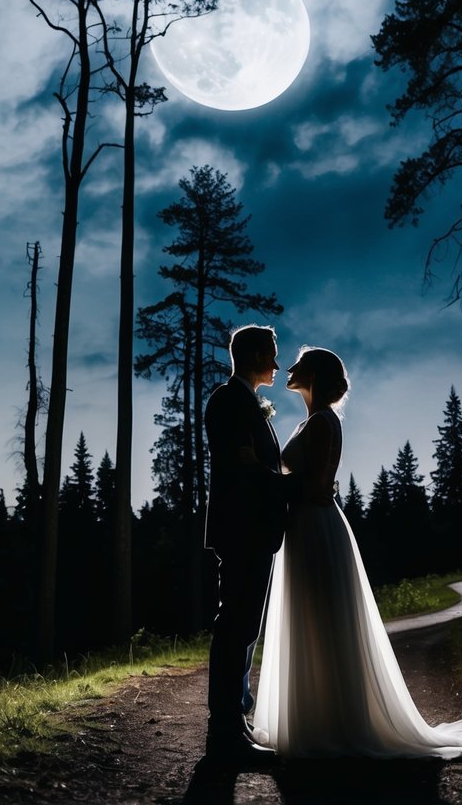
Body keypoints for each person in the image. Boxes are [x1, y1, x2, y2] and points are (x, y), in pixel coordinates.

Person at [252, 346, 462, 760]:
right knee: (311, 620)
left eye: (299, 365)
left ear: (316, 376)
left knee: (324, 619)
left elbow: (315, 487)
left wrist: (271, 486)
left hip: (315, 527)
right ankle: (315, 718)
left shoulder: (323, 422)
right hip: (304, 526)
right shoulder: (313, 421)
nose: (288, 368)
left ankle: (335, 724)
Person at [204, 323, 298, 763]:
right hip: (241, 528)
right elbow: (241, 469)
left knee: (244, 626)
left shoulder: (248, 404)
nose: (277, 365)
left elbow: (254, 465)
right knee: (235, 625)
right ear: (256, 355)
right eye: (273, 354)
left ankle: (233, 723)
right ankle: (223, 731)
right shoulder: (228, 401)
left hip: (254, 530)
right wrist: (290, 487)